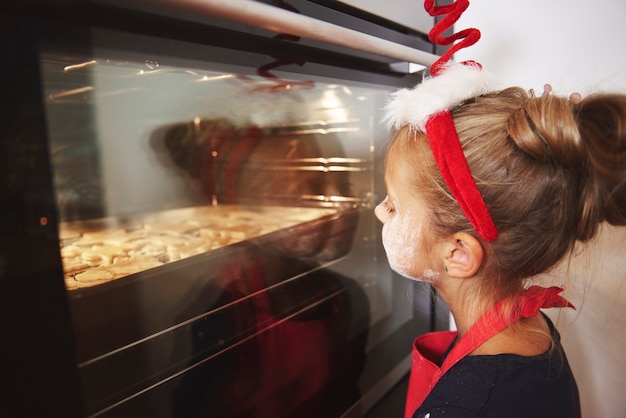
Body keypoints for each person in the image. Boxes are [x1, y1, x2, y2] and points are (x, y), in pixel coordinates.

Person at [374, 1, 626, 417]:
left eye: (396, 206)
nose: (382, 212)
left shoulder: (469, 406)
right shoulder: (529, 331)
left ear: (457, 253)